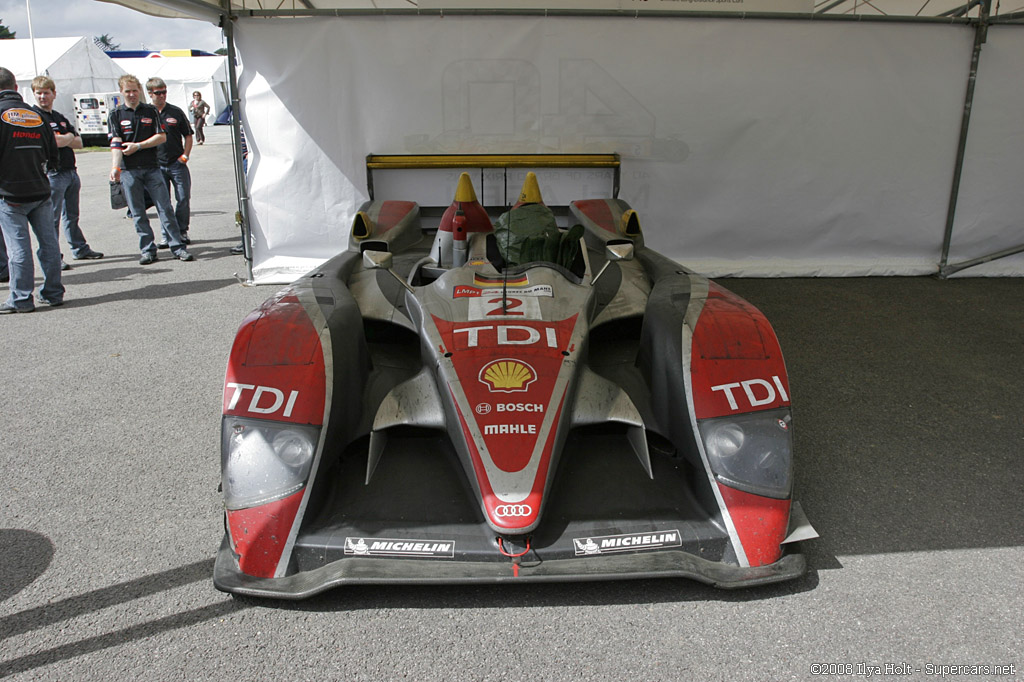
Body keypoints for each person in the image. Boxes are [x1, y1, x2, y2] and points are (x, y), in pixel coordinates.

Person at [108, 74, 193, 264]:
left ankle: (177, 247)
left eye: (134, 90)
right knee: (138, 212)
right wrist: (115, 166)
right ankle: (147, 249)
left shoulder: (150, 111)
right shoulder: (115, 114)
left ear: (140, 91)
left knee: (165, 208)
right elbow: (115, 142)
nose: (131, 94)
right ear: (121, 92)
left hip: (153, 168)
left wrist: (138, 146)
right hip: (129, 170)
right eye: (127, 91)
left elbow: (161, 137)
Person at [0, 66, 64, 313]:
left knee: (18, 249)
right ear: (17, 88)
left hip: (10, 194)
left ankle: (21, 299)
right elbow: (52, 153)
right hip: (40, 189)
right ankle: (53, 292)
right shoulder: (35, 115)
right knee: (49, 244)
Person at [31, 76, 104, 268]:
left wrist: (67, 137)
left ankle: (79, 248)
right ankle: (55, 256)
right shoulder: (35, 117)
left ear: (54, 94)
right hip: (53, 173)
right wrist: (69, 137)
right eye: (38, 93)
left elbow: (79, 143)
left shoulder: (59, 117)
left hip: (70, 171)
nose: (42, 97)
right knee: (51, 219)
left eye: (46, 92)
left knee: (72, 215)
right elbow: (57, 142)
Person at [146, 77, 193, 248]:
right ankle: (167, 235)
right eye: (158, 93)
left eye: (164, 92)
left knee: (183, 198)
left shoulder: (175, 112)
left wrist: (185, 155)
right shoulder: (146, 113)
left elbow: (188, 134)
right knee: (163, 202)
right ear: (150, 94)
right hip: (156, 165)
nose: (162, 96)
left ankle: (182, 231)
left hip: (177, 163)